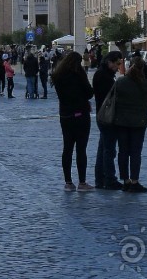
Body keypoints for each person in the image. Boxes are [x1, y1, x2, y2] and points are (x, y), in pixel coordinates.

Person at [52, 51, 95, 191]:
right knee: (81, 149)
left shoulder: (57, 76)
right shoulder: (78, 74)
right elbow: (89, 93)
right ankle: (82, 182)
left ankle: (68, 182)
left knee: (67, 148)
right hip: (81, 114)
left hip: (65, 115)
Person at [114, 56, 147, 193]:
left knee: (123, 152)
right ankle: (135, 180)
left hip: (122, 121)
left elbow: (114, 99)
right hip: (139, 122)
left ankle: (125, 180)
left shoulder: (120, 81)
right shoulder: (145, 83)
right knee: (136, 153)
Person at [93, 51, 124, 190]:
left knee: (103, 148)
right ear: (109, 61)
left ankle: (100, 179)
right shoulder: (103, 76)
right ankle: (109, 179)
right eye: (117, 63)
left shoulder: (102, 74)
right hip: (107, 116)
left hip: (102, 116)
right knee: (109, 150)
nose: (118, 67)